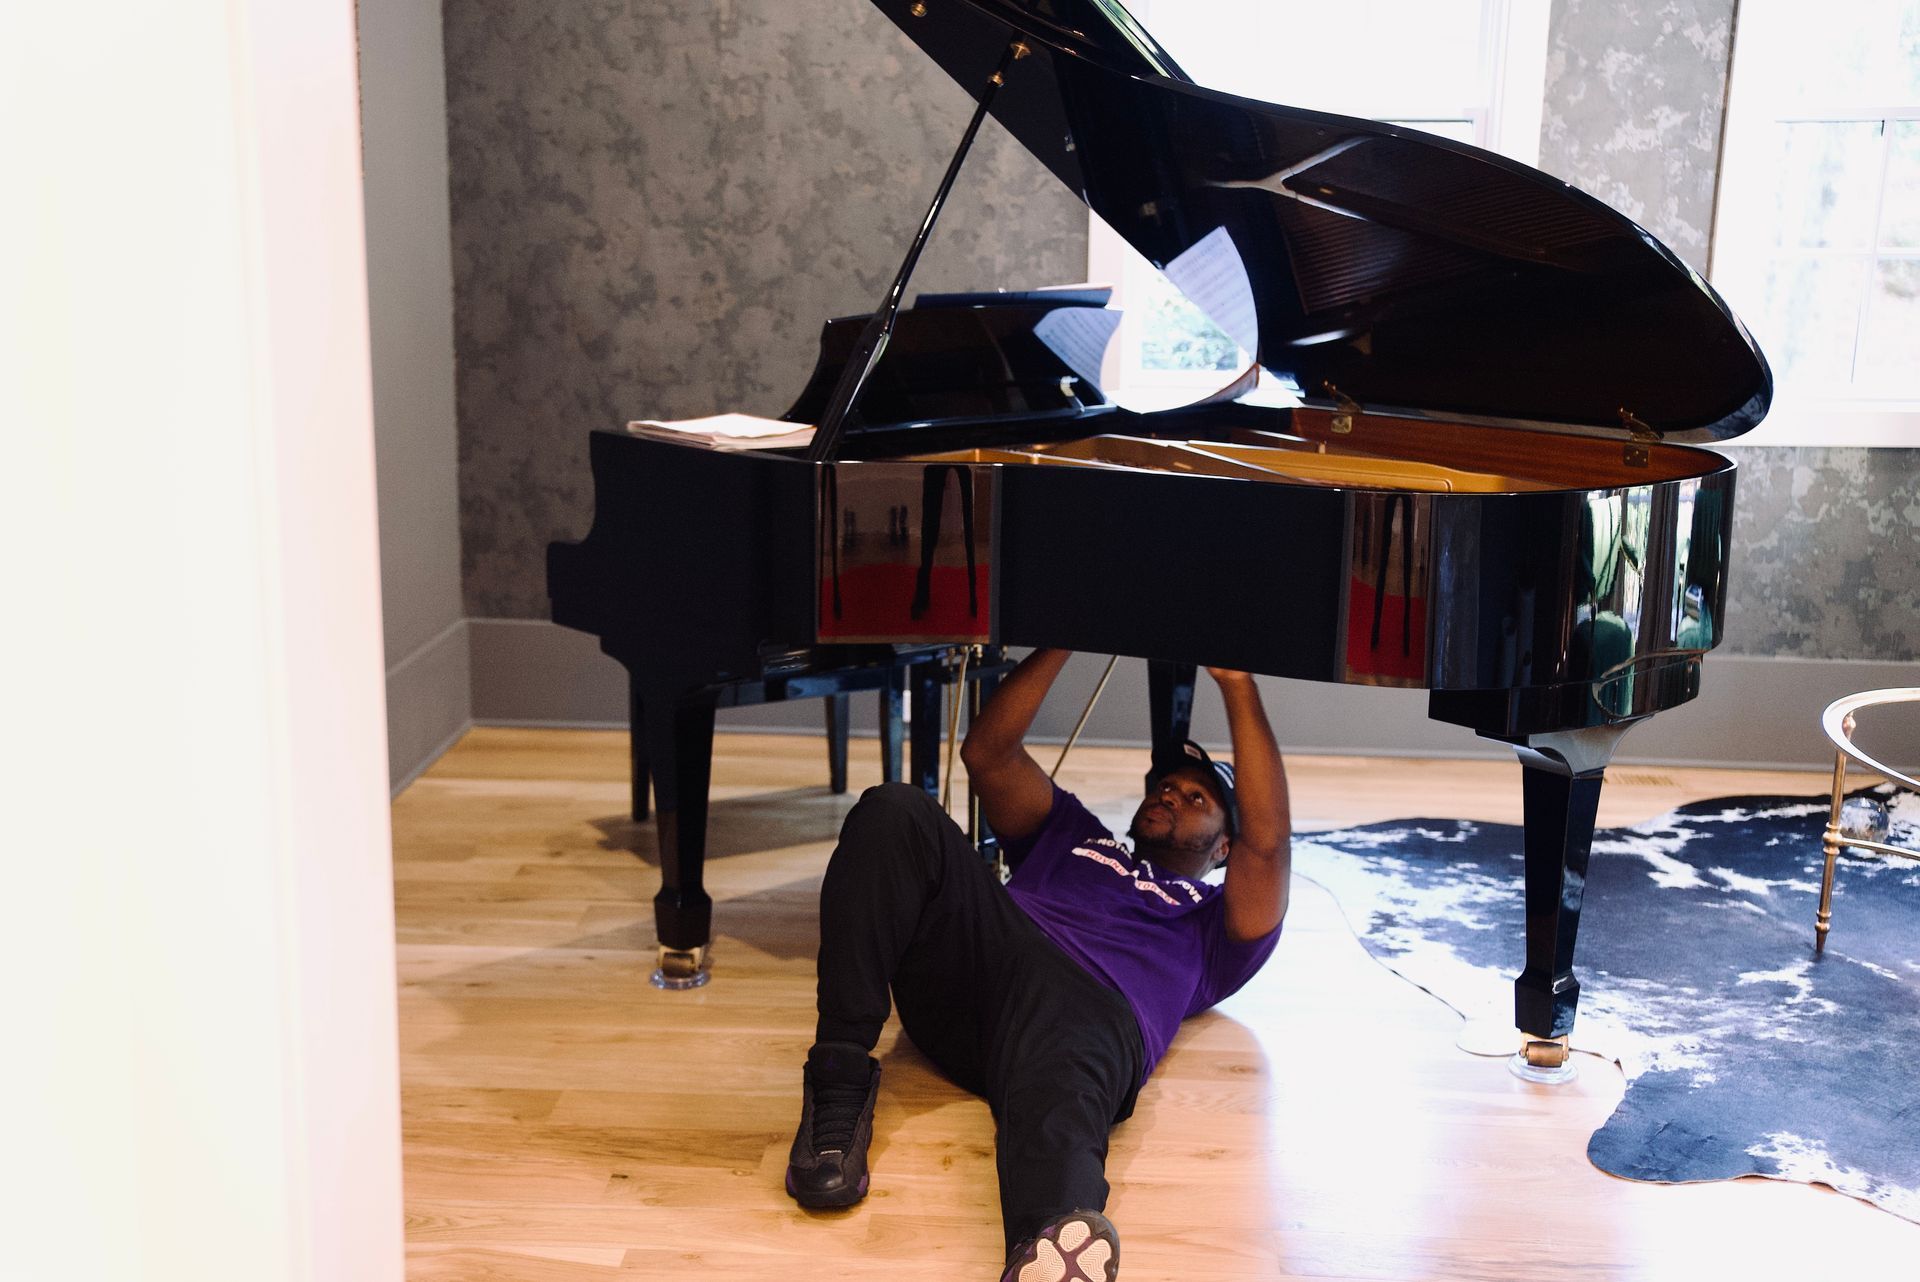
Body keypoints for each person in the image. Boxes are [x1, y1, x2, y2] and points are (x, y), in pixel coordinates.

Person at [784, 648, 1291, 1282]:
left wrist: (1237, 682)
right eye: (1166, 784)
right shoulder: (1077, 836)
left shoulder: (1216, 923)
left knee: (1064, 1094)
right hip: (979, 970)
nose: (1171, 794)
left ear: (1223, 846)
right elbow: (988, 754)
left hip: (1088, 1014)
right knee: (895, 809)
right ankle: (837, 1087)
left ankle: (1051, 1246)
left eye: (1197, 798)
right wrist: (1067, 636)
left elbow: (1268, 843)